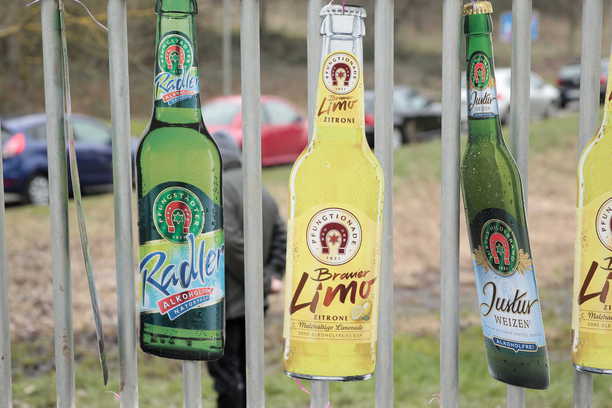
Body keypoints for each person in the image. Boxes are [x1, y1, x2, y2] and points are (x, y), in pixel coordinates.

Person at [207, 131, 286, 408]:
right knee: (248, 370)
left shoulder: (215, 188)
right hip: (253, 306)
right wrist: (272, 276)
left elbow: (229, 242)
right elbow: (281, 233)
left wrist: (262, 280)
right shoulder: (257, 187)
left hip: (224, 305)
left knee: (226, 376)